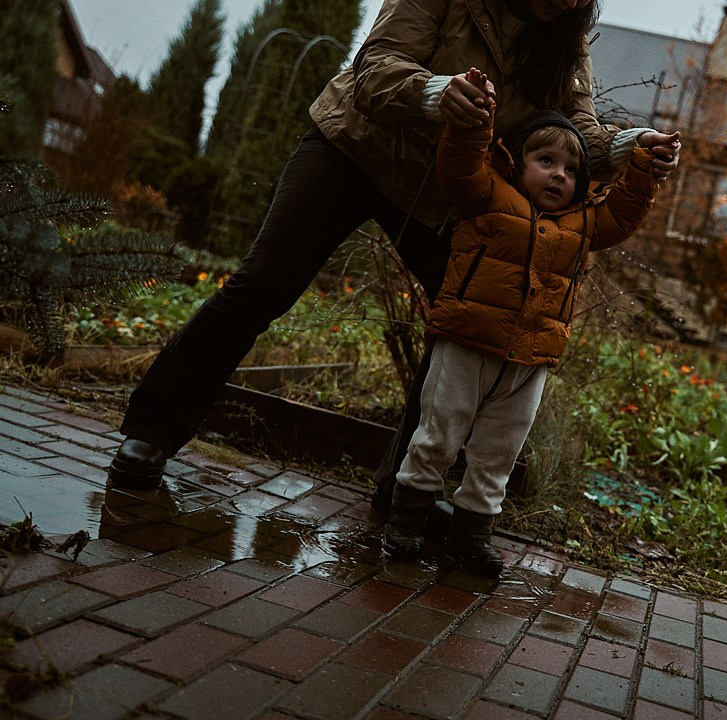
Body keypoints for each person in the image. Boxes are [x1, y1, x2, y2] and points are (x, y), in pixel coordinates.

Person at [106, 0, 682, 505]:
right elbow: (374, 72)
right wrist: (438, 91)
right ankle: (152, 433)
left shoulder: (565, 39)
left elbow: (574, 131)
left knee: (462, 328)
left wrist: (633, 146)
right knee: (265, 284)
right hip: (354, 152)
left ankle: (407, 490)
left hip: (443, 193)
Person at [383, 67, 678, 576]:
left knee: (499, 451)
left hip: (529, 359)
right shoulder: (487, 196)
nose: (559, 174)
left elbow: (624, 213)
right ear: (515, 163)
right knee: (439, 431)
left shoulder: (582, 225)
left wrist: (643, 170)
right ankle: (406, 520)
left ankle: (471, 531)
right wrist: (475, 124)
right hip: (466, 344)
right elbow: (458, 163)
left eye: (570, 168)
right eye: (545, 161)